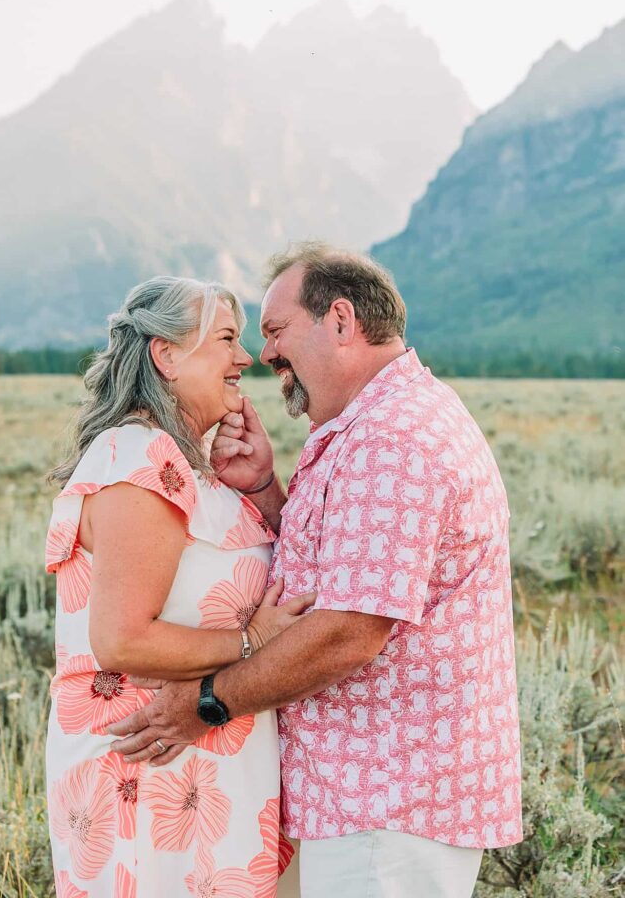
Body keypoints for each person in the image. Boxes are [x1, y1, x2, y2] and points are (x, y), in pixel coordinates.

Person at [110, 243, 524, 898]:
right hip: (367, 801)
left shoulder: (393, 439)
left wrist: (209, 701)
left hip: (389, 802)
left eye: (274, 331)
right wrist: (268, 494)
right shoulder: (377, 425)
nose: (263, 355)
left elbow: (349, 630)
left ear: (338, 320)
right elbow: (346, 574)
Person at [45, 275, 314, 897]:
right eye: (225, 339)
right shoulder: (138, 458)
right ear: (166, 354)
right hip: (153, 770)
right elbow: (121, 641)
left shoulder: (191, 465)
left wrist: (260, 487)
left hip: (206, 768)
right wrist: (250, 642)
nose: (244, 359)